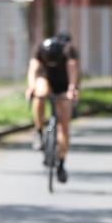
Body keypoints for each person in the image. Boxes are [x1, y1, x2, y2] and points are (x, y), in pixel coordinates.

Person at [26, 33, 79, 183]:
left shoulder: (68, 51)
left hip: (64, 83)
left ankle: (61, 163)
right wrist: (31, 87)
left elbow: (72, 69)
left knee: (64, 126)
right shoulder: (39, 49)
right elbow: (33, 69)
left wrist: (72, 89)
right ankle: (38, 130)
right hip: (46, 79)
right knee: (40, 93)